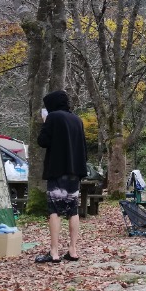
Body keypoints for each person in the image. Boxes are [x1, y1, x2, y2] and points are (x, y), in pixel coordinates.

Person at [34, 90, 88, 263]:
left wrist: (45, 123)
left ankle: (54, 252)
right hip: (75, 171)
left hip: (57, 170)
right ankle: (72, 250)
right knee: (73, 210)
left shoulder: (53, 117)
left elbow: (42, 141)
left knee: (55, 211)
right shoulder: (77, 120)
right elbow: (84, 148)